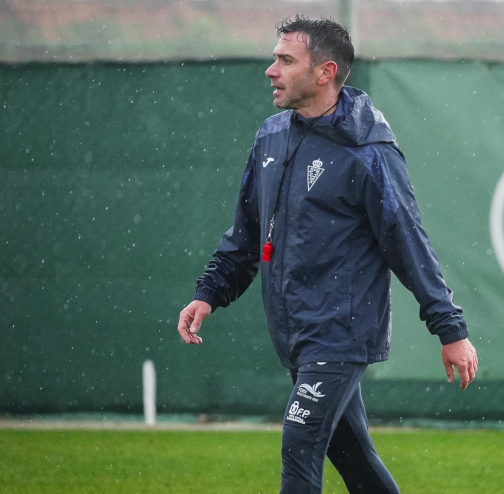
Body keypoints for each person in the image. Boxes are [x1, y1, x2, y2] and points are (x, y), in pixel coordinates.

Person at [176, 16, 478, 493]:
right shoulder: (270, 137)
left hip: (341, 334)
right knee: (356, 462)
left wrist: (450, 329)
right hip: (295, 333)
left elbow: (408, 241)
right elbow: (248, 233)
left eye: (285, 60)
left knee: (299, 441)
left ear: (325, 72)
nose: (270, 70)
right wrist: (209, 293)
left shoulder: (368, 151)